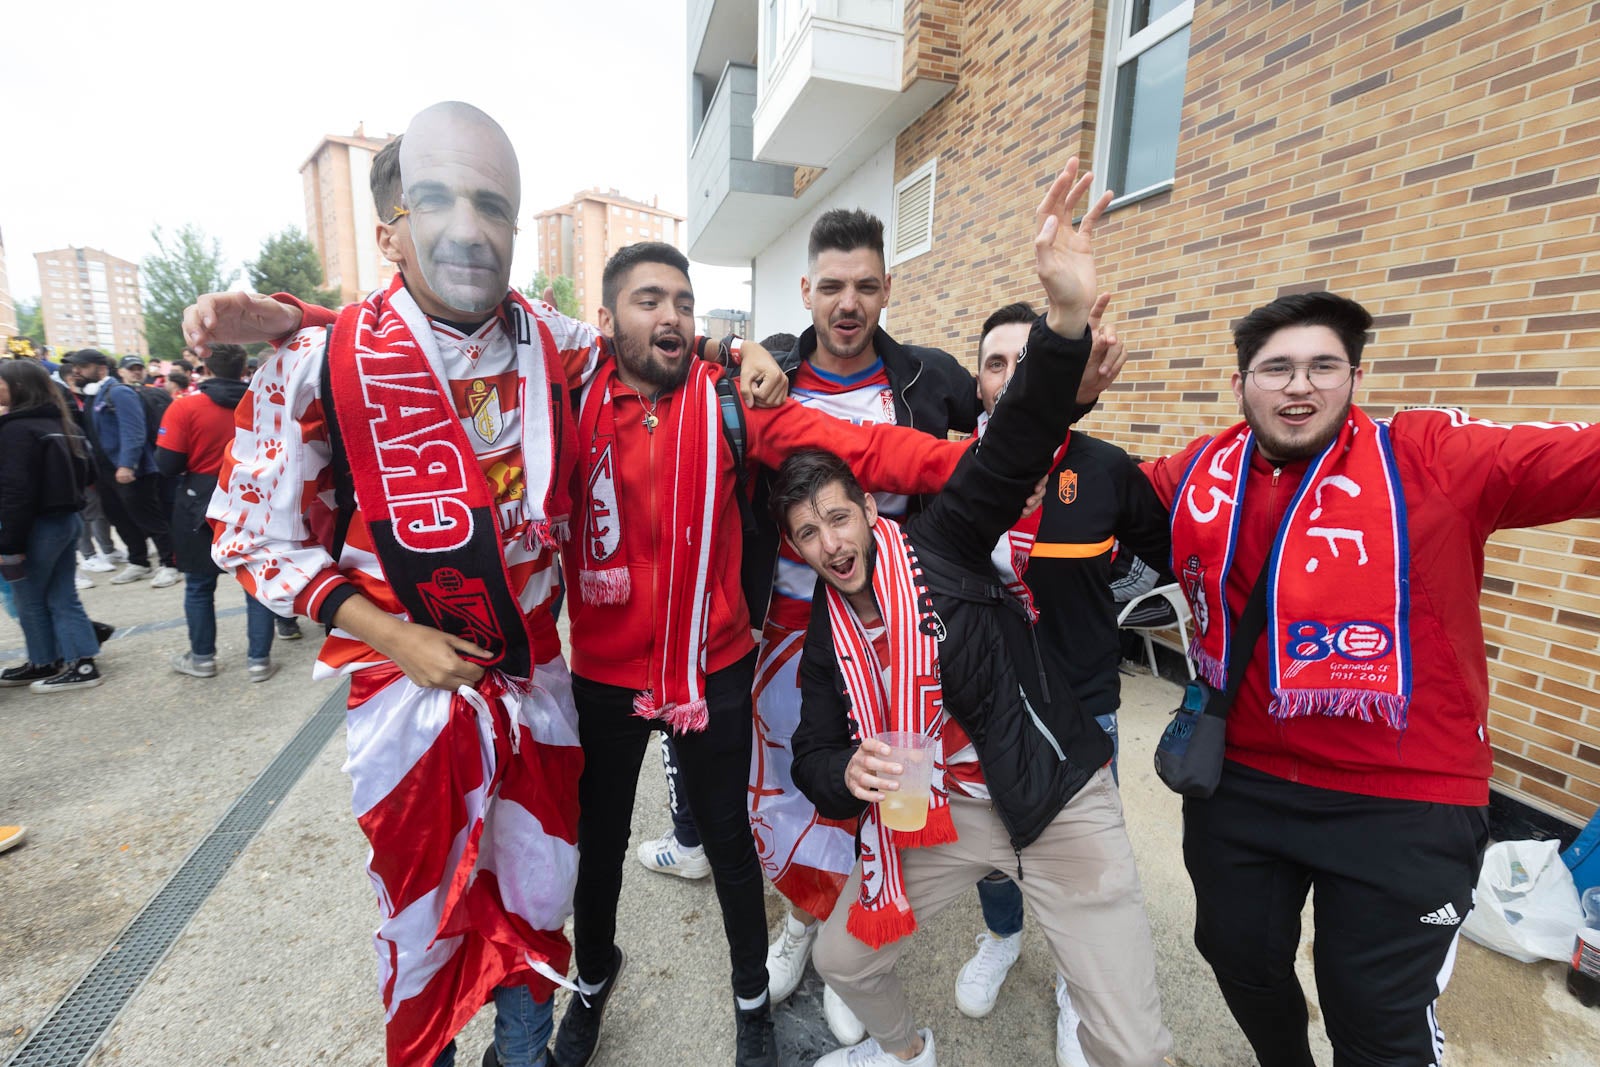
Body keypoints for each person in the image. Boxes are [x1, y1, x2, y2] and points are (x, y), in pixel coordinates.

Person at [201, 103, 596, 1067]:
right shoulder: (317, 361)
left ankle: (524, 1053)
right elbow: (251, 536)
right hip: (408, 704)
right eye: (438, 200)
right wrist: (392, 634)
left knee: (538, 892)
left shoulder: (548, 338)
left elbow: (644, 343)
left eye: (494, 204)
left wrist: (739, 353)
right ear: (389, 232)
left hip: (537, 690)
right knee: (425, 909)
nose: (469, 227)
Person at [1141, 290, 1600, 1067]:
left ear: (1355, 376)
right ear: (1241, 382)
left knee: (1373, 1017)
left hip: (1405, 796)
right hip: (1244, 779)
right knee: (1238, 957)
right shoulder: (1199, 473)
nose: (1299, 385)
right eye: (1276, 367)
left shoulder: (1430, 456)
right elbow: (1053, 483)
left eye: (1323, 366)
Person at [549, 240, 974, 1067]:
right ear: (605, 320)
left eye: (682, 301)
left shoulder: (731, 401)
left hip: (713, 667)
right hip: (602, 673)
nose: (669, 315)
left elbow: (865, 453)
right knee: (595, 846)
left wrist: (987, 465)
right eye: (647, 300)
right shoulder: (567, 395)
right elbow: (465, 350)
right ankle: (594, 978)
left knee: (731, 839)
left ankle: (752, 1004)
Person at [785, 159, 1170, 1067]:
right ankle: (907, 1048)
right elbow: (811, 754)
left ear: (872, 510)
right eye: (807, 534)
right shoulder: (824, 634)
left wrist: (1065, 321)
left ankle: (1076, 993)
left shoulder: (945, 542)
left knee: (1133, 1045)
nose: (832, 543)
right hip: (940, 813)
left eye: (840, 516)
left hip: (1056, 792)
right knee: (840, 955)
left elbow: (1013, 443)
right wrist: (852, 770)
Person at [949, 300, 1169, 1067]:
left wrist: (1099, 604)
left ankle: (1078, 984)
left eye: (1025, 360)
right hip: (986, 706)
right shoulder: (953, 476)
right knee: (989, 848)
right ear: (976, 381)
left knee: (1081, 860)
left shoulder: (1105, 469)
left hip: (1082, 704)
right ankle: (1003, 937)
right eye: (995, 363)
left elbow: (1162, 550)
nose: (1011, 379)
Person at [158, 344, 280, 682]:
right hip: (253, 498)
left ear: (204, 367)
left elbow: (166, 465)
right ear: (244, 367)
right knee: (255, 583)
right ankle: (259, 661)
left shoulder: (185, 408)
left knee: (198, 584)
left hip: (201, 501)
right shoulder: (264, 404)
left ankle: (203, 658)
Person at [0, 359, 105, 692]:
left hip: (37, 526)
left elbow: (15, 491)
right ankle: (54, 661)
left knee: (30, 597)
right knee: (60, 595)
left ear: (16, 387)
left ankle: (67, 662)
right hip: (65, 521)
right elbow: (90, 474)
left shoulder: (16, 430)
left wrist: (10, 543)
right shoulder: (63, 423)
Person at [73, 350, 180, 588]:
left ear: (101, 368)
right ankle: (138, 561)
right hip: (105, 472)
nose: (76, 371)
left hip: (130, 470)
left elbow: (134, 430)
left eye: (81, 366)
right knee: (121, 518)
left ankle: (170, 563)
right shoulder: (94, 396)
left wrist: (126, 464)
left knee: (149, 517)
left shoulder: (119, 392)